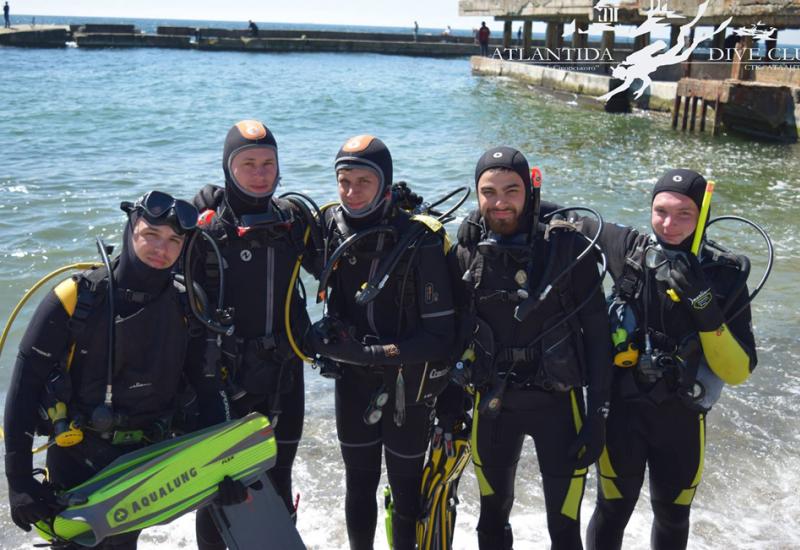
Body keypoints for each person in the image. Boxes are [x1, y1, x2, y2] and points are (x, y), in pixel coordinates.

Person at [4, 191, 215, 549]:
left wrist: (220, 466)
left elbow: (207, 389)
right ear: (131, 228)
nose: (161, 249)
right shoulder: (76, 298)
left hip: (146, 460)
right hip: (77, 458)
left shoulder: (187, 301)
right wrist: (19, 480)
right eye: (151, 235)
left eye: (174, 241)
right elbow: (23, 390)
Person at [581, 169, 758, 550]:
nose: (669, 224)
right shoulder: (628, 248)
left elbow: (739, 369)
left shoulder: (725, 276)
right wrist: (484, 221)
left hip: (681, 418)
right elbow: (564, 216)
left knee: (674, 516)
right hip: (623, 413)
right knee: (612, 510)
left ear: (702, 216)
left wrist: (705, 306)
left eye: (684, 215)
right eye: (660, 211)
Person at [450, 147, 613, 549]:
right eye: (488, 192)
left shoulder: (567, 249)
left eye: (512, 190)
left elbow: (596, 335)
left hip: (559, 404)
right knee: (491, 519)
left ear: (530, 191)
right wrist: (447, 404)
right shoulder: (468, 249)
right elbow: (452, 334)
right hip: (493, 404)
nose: (500, 202)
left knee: (564, 526)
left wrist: (599, 416)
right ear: (477, 194)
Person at [308, 135, 456, 550]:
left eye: (363, 182)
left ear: (386, 185)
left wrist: (368, 353)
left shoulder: (420, 241)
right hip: (353, 383)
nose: (351, 193)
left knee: (407, 490)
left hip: (409, 384)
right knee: (358, 485)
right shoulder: (328, 227)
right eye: (344, 181)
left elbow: (439, 338)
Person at [188, 120, 319, 549]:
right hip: (226, 382)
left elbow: (346, 254)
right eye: (248, 164)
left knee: (280, 478)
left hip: (286, 377)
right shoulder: (204, 230)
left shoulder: (294, 221)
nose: (260, 173)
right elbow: (149, 258)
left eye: (268, 163)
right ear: (228, 168)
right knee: (216, 492)